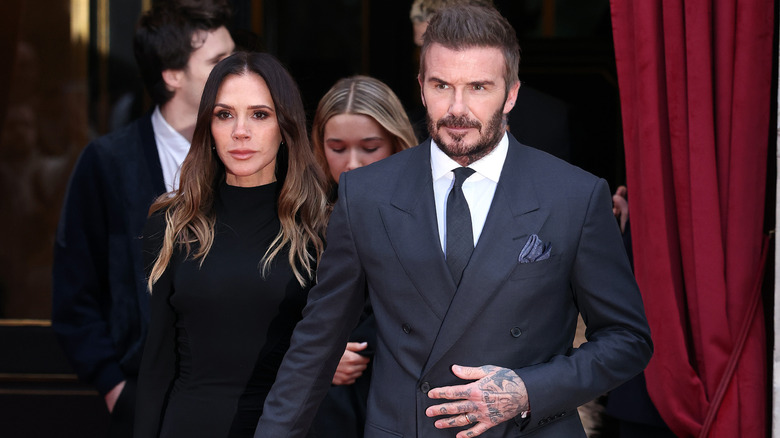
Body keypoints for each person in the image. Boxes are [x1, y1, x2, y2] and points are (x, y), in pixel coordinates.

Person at [255, 4, 651, 438]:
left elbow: (627, 340)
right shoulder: (366, 193)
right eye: (442, 85)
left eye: (479, 87)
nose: (457, 108)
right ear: (422, 88)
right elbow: (316, 344)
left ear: (511, 94)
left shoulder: (574, 195)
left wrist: (528, 390)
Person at [51, 1, 234, 436]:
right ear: (172, 75)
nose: (237, 71)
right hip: (143, 401)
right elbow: (74, 292)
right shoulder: (108, 164)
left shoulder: (253, 151)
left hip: (241, 398)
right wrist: (115, 388)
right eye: (218, 62)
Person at [135, 51, 329, 438]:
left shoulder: (322, 229)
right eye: (225, 114)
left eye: (260, 114)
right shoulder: (173, 224)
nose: (241, 131)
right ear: (209, 125)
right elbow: (156, 360)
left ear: (285, 126)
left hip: (286, 428)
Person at [309, 76, 417, 438]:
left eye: (370, 147)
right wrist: (320, 359)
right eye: (337, 147)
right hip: (323, 413)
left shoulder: (434, 218)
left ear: (397, 144)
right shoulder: (297, 220)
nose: (352, 163)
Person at [409, 0, 572, 162]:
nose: (423, 58)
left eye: (478, 87)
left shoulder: (547, 119)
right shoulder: (413, 127)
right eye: (421, 48)